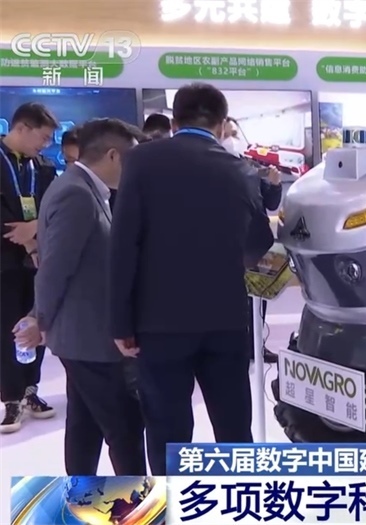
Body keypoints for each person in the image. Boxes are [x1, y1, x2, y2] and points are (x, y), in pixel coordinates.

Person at [110, 82, 274, 474]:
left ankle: (173, 501)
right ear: (222, 123)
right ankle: (241, 499)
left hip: (158, 322)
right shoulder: (241, 169)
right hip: (226, 320)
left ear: (173, 120)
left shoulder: (141, 161)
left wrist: (120, 322)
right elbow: (259, 242)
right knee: (234, 425)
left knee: (167, 429)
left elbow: (123, 243)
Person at [28, 118, 146, 475]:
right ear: (112, 155)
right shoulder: (77, 194)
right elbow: (55, 267)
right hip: (88, 339)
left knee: (85, 425)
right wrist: (39, 319)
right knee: (125, 427)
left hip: (84, 336)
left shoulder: (85, 189)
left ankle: (80, 496)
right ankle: (136, 502)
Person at [0, 102, 58, 433]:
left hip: (38, 260)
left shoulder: (43, 167)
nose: (46, 144)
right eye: (43, 137)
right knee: (7, 327)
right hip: (4, 261)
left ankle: (30, 389)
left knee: (38, 323)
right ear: (22, 128)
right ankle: (11, 397)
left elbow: (52, 208)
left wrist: (34, 230)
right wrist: (23, 238)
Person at [222, 117, 281, 364]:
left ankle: (257, 346)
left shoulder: (251, 167)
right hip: (229, 249)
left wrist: (275, 185)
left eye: (235, 133)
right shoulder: (215, 169)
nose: (232, 139)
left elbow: (271, 203)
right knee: (233, 304)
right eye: (227, 133)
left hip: (258, 246)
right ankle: (236, 350)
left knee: (258, 300)